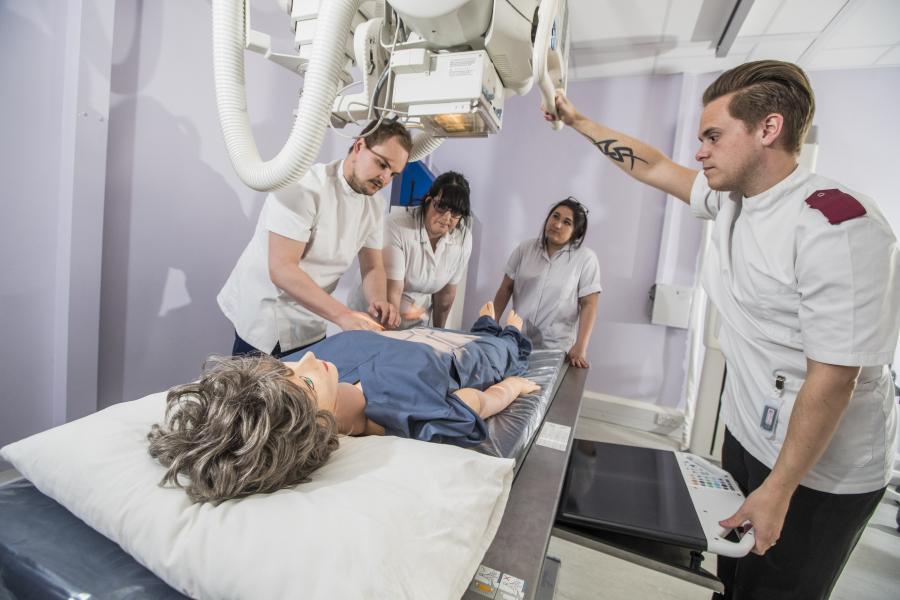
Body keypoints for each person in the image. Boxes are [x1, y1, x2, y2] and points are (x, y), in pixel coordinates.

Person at [544, 60, 900, 599]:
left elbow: (833, 380)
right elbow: (653, 166)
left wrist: (779, 489)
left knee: (776, 588)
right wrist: (576, 119)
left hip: (818, 470)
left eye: (712, 136)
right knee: (731, 576)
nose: (699, 151)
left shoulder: (837, 227)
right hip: (748, 431)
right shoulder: (732, 201)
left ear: (768, 129)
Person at [148, 302, 539, 504]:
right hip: (456, 359)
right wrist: (514, 389)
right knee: (499, 348)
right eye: (305, 379)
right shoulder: (400, 412)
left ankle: (490, 325)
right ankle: (501, 332)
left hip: (404, 337)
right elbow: (479, 402)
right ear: (315, 425)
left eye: (287, 368)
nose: (308, 360)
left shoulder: (304, 378)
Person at [217, 120, 410, 358]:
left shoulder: (373, 205)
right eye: (382, 164)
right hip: (269, 318)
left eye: (393, 174)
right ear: (359, 146)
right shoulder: (304, 186)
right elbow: (282, 269)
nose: (385, 178)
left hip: (313, 318)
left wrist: (379, 299)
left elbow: (372, 266)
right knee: (253, 394)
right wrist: (343, 315)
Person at [350, 171, 473, 329]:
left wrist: (438, 333)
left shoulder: (463, 238)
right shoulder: (397, 226)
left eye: (455, 212)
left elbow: (445, 296)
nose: (447, 217)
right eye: (441, 207)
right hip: (375, 313)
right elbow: (392, 292)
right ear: (429, 199)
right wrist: (392, 338)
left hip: (415, 318)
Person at [492, 197, 602, 368]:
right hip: (515, 340)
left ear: (576, 232)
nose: (557, 224)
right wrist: (490, 324)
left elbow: (589, 304)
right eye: (555, 216)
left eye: (567, 222)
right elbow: (505, 288)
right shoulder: (525, 249)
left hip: (556, 349)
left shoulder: (586, 259)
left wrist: (581, 346)